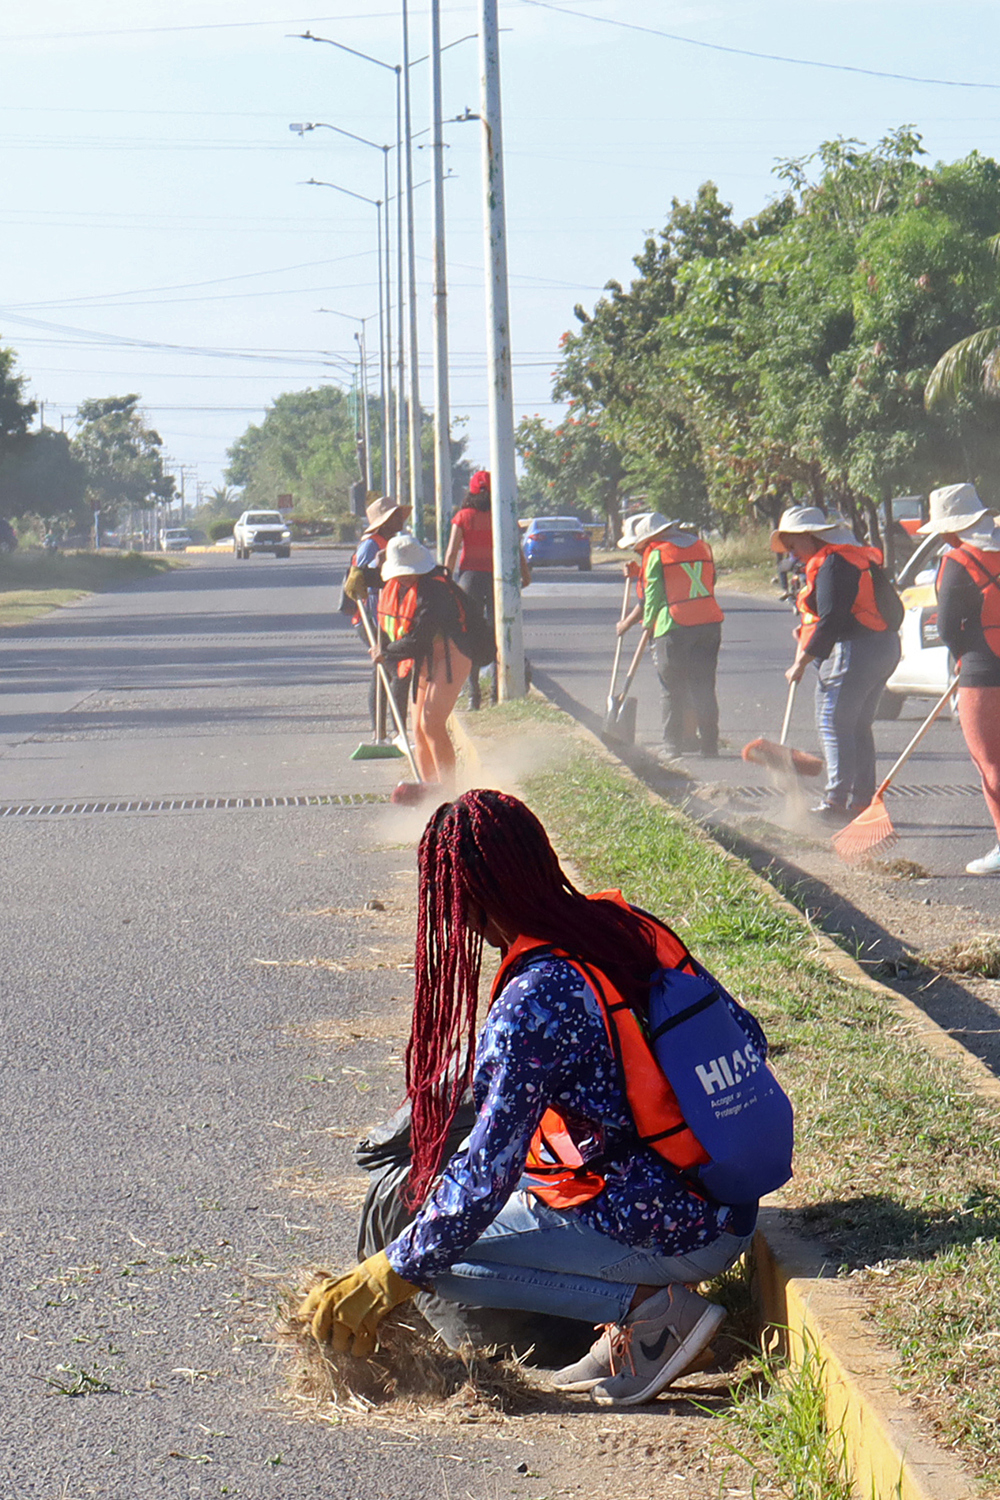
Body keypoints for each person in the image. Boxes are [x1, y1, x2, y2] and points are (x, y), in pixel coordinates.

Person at [299, 790, 765, 1407]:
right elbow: (748, 1036)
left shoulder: (535, 999)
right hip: (723, 1197)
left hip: (675, 1228)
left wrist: (387, 1274)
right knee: (455, 1224)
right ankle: (639, 1315)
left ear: (471, 902)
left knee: (433, 1253)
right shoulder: (624, 928)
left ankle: (654, 1314)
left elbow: (483, 1178)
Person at [775, 506, 902, 821]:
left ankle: (835, 804)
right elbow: (836, 613)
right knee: (857, 725)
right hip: (882, 646)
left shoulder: (833, 564)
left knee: (833, 722)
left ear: (811, 536)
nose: (793, 554)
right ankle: (860, 802)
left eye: (794, 545)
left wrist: (802, 662)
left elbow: (832, 620)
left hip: (856, 650)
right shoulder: (853, 557)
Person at [925, 484, 1000, 875]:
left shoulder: (957, 560)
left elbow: (949, 627)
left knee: (992, 765)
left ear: (950, 529)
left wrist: (962, 659)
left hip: (984, 671)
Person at [373, 534, 479, 787]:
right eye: (401, 572)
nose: (404, 577)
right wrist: (355, 572)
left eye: (409, 572)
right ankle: (429, 790)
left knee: (431, 724)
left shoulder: (434, 593)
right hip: (426, 659)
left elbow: (418, 640)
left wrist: (386, 652)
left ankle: (448, 791)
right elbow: (368, 578)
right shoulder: (401, 584)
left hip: (454, 655)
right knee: (418, 732)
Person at [616, 513, 724, 759]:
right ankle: (710, 745)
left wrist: (643, 625)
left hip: (674, 626)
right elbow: (706, 580)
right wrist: (640, 572)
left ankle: (672, 747)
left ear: (650, 537)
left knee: (671, 689)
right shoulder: (702, 547)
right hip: (709, 623)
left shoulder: (657, 554)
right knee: (704, 687)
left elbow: (650, 599)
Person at [443, 470, 531, 709]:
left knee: (469, 634)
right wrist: (525, 574)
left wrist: (444, 578)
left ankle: (473, 696)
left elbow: (452, 552)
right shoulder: (504, 517)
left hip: (469, 579)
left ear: (470, 492)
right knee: (498, 634)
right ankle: (496, 692)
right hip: (496, 578)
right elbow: (517, 550)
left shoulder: (462, 517)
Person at [344, 495, 412, 740]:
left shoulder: (392, 541)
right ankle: (395, 732)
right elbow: (363, 584)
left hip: (387, 617)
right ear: (382, 522)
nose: (399, 520)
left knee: (382, 670)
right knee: (393, 669)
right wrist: (379, 623)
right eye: (394, 516)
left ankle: (382, 732)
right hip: (370, 619)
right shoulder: (371, 545)